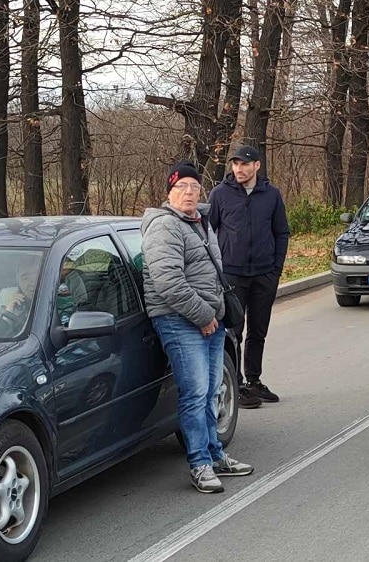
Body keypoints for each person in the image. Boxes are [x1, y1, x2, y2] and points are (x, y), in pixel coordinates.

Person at [142, 161, 254, 494]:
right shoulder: (165, 227)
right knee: (193, 394)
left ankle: (216, 455)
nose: (189, 193)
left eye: (194, 187)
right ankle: (199, 464)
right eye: (181, 187)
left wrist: (214, 314)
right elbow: (169, 282)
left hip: (209, 319)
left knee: (209, 391)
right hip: (180, 320)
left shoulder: (198, 221)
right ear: (169, 192)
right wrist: (203, 315)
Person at [209, 145, 290, 408]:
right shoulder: (220, 194)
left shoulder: (272, 195)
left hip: (264, 274)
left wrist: (275, 269)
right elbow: (208, 234)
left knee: (259, 331)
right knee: (234, 332)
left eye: (244, 164)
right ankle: (237, 385)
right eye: (235, 164)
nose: (239, 169)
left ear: (257, 165)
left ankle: (254, 381)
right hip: (232, 275)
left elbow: (281, 233)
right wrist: (217, 271)